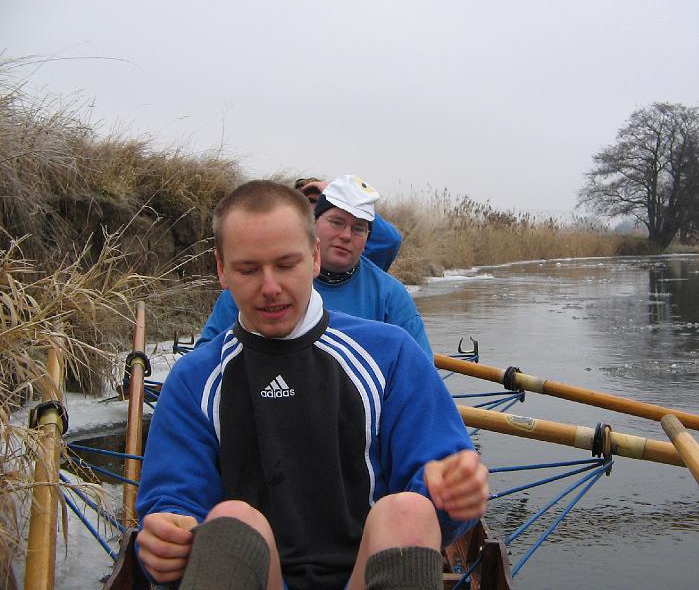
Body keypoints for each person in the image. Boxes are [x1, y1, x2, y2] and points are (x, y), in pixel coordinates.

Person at [135, 180, 488, 590]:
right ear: (222, 270)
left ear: (315, 258)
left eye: (287, 265)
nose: (270, 288)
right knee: (234, 517)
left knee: (409, 510)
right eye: (248, 270)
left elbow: (443, 490)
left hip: (365, 573)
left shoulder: (391, 353)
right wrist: (165, 538)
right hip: (255, 573)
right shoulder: (193, 379)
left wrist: (453, 492)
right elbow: (173, 504)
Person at [196, 175, 433, 359]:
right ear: (313, 224)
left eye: (358, 228)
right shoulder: (255, 286)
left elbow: (421, 377)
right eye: (336, 222)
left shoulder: (391, 295)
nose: (346, 235)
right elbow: (204, 358)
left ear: (368, 237)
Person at [294, 177, 401, 271]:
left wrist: (356, 206)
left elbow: (390, 240)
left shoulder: (349, 254)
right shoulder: (289, 255)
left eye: (321, 201)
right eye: (309, 201)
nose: (346, 236)